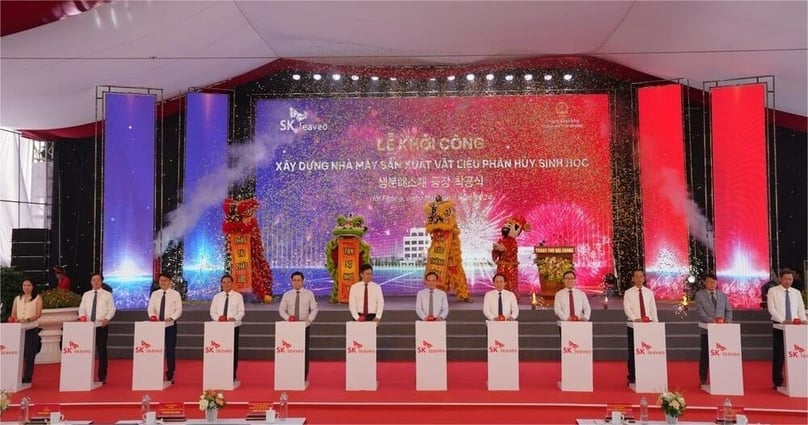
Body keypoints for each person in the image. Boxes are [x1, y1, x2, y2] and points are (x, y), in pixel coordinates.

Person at [767, 268, 807, 389]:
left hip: (795, 327)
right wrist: (783, 320)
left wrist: (803, 319)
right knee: (779, 354)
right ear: (780, 279)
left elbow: (800, 309)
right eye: (785, 279)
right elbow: (771, 309)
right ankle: (777, 381)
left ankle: (798, 379)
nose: (788, 281)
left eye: (790, 279)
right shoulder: (773, 291)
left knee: (796, 353)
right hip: (779, 325)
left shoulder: (796, 292)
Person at [278, 271, 319, 380]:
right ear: (291, 281)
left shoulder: (309, 294)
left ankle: (303, 376)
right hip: (290, 327)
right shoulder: (287, 295)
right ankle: (290, 374)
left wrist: (309, 320)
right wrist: (287, 318)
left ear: (303, 281)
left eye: (299, 280)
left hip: (304, 326)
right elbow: (281, 310)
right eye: (294, 280)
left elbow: (314, 309)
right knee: (291, 350)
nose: (296, 283)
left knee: (303, 351)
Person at [694, 273, 732, 385]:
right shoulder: (699, 295)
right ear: (705, 283)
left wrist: (727, 321)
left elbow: (729, 311)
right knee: (705, 354)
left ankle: (722, 377)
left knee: (722, 354)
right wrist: (711, 320)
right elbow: (700, 312)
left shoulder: (723, 296)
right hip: (707, 330)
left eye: (714, 282)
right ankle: (703, 378)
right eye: (710, 282)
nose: (712, 284)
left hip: (722, 330)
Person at [77, 273, 116, 384]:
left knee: (101, 350)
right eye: (93, 280)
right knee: (85, 351)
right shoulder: (86, 295)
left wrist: (107, 319)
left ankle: (102, 376)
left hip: (101, 326)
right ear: (91, 282)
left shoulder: (107, 295)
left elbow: (112, 309)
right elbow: (82, 309)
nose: (96, 282)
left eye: (98, 280)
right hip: (87, 326)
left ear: (101, 281)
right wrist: (82, 317)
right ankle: (85, 375)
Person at [622, 269, 658, 385]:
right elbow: (627, 308)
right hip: (634, 326)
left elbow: (653, 309)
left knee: (648, 351)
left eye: (641, 276)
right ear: (633, 278)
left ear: (644, 278)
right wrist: (634, 319)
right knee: (633, 352)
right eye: (636, 276)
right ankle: (632, 377)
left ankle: (647, 374)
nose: (639, 279)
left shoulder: (649, 292)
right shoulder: (628, 293)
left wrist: (656, 324)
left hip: (648, 326)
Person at [146, 272, 183, 383]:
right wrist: (152, 316)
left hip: (170, 326)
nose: (163, 282)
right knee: (155, 350)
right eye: (161, 280)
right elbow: (150, 308)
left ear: (170, 281)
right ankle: (155, 372)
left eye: (165, 280)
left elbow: (179, 310)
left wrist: (171, 318)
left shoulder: (175, 294)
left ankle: (170, 373)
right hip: (156, 326)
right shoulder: (155, 294)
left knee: (170, 350)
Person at [209, 274, 245, 380]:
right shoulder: (217, 297)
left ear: (232, 283)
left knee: (232, 351)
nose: (226, 284)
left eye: (228, 282)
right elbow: (212, 312)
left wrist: (234, 318)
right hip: (219, 328)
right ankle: (219, 373)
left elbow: (241, 312)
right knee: (219, 350)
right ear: (221, 284)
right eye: (224, 282)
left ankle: (232, 374)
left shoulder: (238, 296)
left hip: (233, 327)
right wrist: (218, 319)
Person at [10, 278, 43, 384]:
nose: (26, 288)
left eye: (28, 285)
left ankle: (27, 376)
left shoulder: (37, 298)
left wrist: (28, 320)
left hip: (31, 328)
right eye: (24, 285)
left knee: (30, 354)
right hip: (18, 329)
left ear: (32, 286)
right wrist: (15, 319)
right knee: (17, 353)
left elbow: (38, 314)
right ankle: (16, 375)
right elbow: (13, 313)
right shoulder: (17, 298)